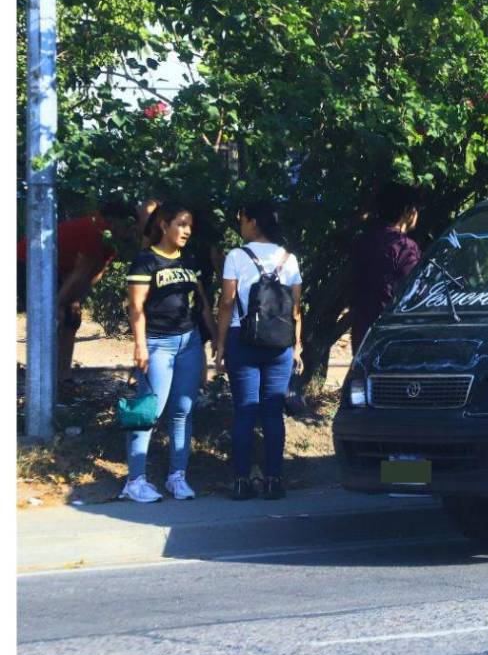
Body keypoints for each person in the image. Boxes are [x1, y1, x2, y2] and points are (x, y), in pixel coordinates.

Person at [122, 202, 216, 503]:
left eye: (190, 225)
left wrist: (214, 338)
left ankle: (177, 476)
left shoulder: (188, 262)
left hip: (188, 342)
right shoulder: (145, 261)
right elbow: (135, 307)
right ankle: (135, 481)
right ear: (164, 225)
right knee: (148, 412)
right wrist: (140, 345)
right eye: (181, 224)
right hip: (157, 344)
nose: (187, 231)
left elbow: (202, 304)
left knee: (183, 411)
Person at [214, 201, 303, 500]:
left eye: (242, 220)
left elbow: (226, 302)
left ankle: (241, 481)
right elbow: (296, 310)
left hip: (243, 339)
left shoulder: (237, 256)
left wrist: (221, 344)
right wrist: (298, 347)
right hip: (280, 343)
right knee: (272, 414)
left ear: (253, 222)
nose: (240, 225)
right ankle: (274, 480)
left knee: (245, 413)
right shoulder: (289, 259)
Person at [17, 201, 139, 390]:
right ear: (116, 221)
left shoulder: (110, 242)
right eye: (129, 226)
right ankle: (39, 380)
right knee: (50, 318)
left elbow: (94, 274)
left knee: (72, 318)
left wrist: (75, 301)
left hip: (57, 271)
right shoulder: (96, 231)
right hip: (28, 262)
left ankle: (62, 377)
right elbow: (80, 273)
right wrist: (58, 304)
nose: (131, 233)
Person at [349, 182, 422, 353]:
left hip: (361, 328)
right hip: (391, 331)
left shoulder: (363, 240)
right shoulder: (404, 247)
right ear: (407, 211)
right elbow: (413, 292)